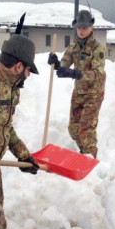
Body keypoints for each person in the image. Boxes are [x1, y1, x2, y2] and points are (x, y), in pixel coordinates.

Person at [0, 29, 40, 229]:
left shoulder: (9, 90)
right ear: (18, 66)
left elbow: (5, 128)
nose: (28, 75)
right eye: (28, 70)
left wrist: (24, 156)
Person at [47, 10, 106, 159]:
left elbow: (97, 74)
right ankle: (85, 152)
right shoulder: (74, 46)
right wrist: (56, 63)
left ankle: (90, 157)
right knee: (73, 129)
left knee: (86, 129)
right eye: (79, 27)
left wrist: (76, 74)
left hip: (93, 94)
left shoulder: (97, 49)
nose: (81, 30)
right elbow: (65, 63)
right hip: (79, 92)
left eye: (84, 27)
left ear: (91, 28)